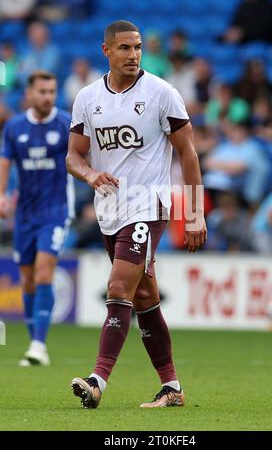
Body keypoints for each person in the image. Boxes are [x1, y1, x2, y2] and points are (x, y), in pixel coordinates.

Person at [66, 20, 207, 409]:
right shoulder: (88, 98)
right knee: (144, 295)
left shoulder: (162, 93)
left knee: (117, 288)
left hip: (149, 205)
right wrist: (91, 173)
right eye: (125, 48)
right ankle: (172, 387)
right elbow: (73, 156)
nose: (133, 55)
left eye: (138, 48)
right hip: (109, 210)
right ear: (106, 51)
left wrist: (193, 213)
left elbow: (188, 153)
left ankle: (97, 380)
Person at [0, 71, 73, 366]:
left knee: (44, 272)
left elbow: (81, 157)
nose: (47, 97)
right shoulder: (15, 127)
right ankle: (35, 345)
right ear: (29, 93)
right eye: (42, 91)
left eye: (52, 91)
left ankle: (38, 345)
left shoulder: (66, 124)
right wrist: (3, 195)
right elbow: (5, 163)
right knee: (28, 280)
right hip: (25, 214)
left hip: (55, 211)